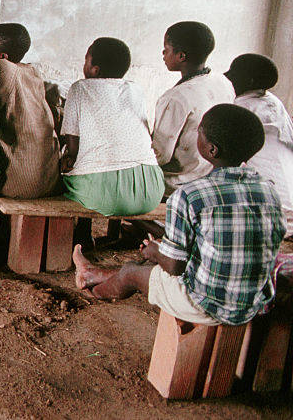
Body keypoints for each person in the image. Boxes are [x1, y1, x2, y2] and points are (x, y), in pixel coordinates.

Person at [74, 104, 286, 326]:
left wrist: (155, 252)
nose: (197, 135)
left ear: (211, 150)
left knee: (131, 272)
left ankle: (95, 293)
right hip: (253, 302)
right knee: (152, 270)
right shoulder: (268, 190)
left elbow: (174, 268)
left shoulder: (190, 195)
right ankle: (92, 273)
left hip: (207, 305)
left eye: (200, 131)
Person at [59, 38, 165, 216]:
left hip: (102, 193)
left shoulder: (80, 88)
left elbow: (73, 148)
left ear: (95, 69)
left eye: (86, 60)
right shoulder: (136, 90)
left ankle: (82, 236)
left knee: (68, 175)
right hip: (151, 187)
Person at [0, 23, 60, 198]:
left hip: (18, 184)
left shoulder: (2, 68)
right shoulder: (32, 72)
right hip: (49, 182)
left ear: (3, 56)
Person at [152, 21, 234, 193]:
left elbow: (160, 155)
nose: (163, 53)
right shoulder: (223, 82)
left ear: (181, 56)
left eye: (166, 49)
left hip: (176, 183)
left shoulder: (176, 98)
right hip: (209, 175)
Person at [226, 53, 293, 233]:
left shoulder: (240, 108)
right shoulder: (274, 102)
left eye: (234, 73)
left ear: (250, 81)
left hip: (273, 215)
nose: (227, 76)